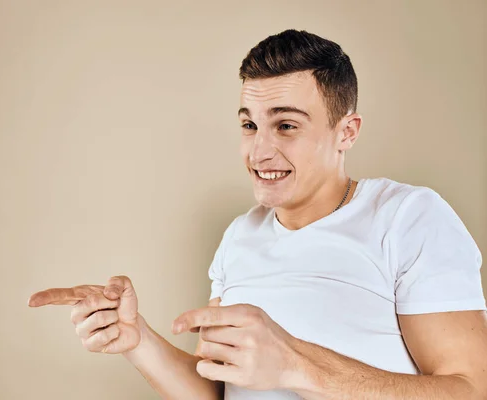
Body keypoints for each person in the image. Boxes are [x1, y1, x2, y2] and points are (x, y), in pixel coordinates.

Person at [28, 29, 487, 399]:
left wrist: (295, 365)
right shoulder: (239, 236)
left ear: (346, 131)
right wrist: (138, 340)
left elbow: (472, 388)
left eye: (286, 125)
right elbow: (216, 390)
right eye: (250, 124)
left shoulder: (408, 217)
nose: (260, 151)